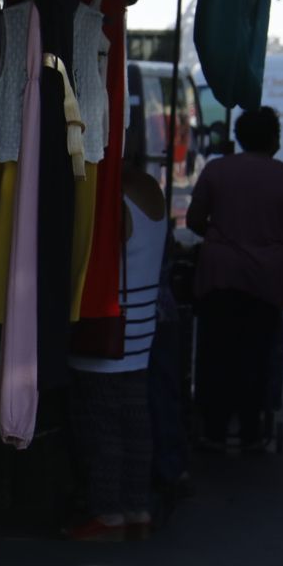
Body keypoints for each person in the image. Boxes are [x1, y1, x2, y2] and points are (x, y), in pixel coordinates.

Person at [186, 107, 283, 452]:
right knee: (257, 355)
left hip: (218, 276)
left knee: (216, 353)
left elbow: (195, 220)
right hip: (265, 281)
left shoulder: (217, 170)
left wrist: (223, 233)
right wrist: (274, 236)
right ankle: (250, 432)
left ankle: (213, 429)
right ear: (275, 139)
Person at [66, 167, 168, 541]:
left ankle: (107, 513)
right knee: (134, 419)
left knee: (100, 423)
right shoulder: (148, 186)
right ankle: (136, 508)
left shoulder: (109, 195)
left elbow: (93, 253)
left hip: (107, 327)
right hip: (141, 326)